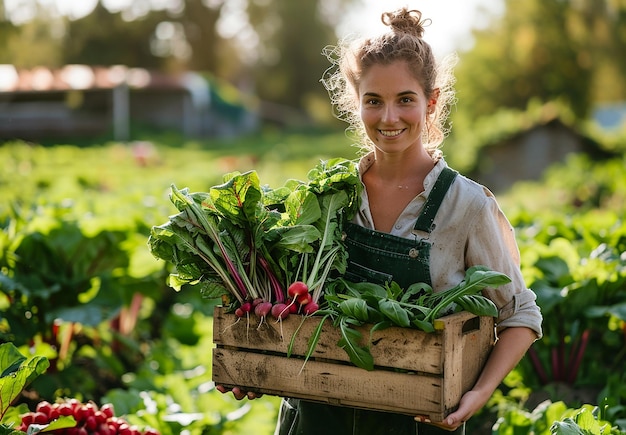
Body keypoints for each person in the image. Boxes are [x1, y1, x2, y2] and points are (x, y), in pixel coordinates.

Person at [218, 7, 543, 435]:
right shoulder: (329, 198)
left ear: (432, 101)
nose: (389, 118)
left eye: (405, 100)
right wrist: (259, 361)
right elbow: (291, 310)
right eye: (373, 101)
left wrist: (477, 395)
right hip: (315, 419)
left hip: (418, 422)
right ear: (356, 104)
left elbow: (519, 315)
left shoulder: (467, 205)